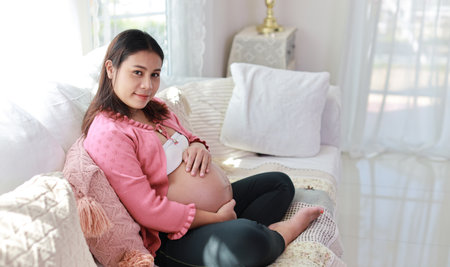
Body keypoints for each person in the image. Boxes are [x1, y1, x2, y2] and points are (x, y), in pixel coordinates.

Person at [82, 29, 323, 267]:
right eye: (137, 73)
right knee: (247, 239)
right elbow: (147, 210)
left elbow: (187, 137)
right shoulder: (108, 132)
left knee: (279, 183)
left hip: (218, 210)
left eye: (155, 74)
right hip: (174, 235)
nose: (147, 85)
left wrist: (198, 145)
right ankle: (280, 233)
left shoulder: (155, 108)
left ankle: (237, 228)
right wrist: (215, 218)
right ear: (111, 70)